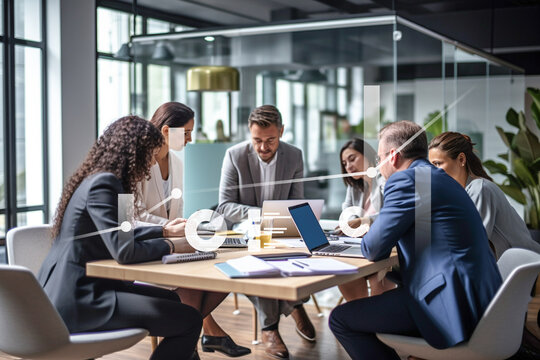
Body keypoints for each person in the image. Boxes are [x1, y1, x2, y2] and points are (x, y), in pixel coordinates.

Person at [329, 120, 502, 360]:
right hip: (476, 297)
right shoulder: (438, 177)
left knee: (341, 319)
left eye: (379, 159)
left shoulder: (404, 181)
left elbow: (372, 249)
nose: (379, 166)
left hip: (450, 306)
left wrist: (369, 229)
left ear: (393, 156)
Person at [38, 116, 203, 360]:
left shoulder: (112, 183)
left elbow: (121, 232)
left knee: (172, 298)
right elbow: (124, 252)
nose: (151, 165)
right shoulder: (105, 184)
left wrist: (165, 230)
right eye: (150, 156)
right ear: (133, 153)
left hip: (92, 286)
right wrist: (171, 245)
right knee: (190, 320)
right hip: (81, 297)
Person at [137, 102, 250, 357]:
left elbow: (176, 209)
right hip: (150, 249)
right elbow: (134, 216)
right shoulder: (139, 162)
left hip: (175, 247)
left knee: (228, 269)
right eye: (186, 132)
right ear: (166, 130)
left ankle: (189, 341)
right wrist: (169, 227)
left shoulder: (176, 162)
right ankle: (192, 342)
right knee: (196, 286)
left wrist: (190, 227)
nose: (190, 139)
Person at [216, 105, 315, 359]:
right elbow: (225, 206)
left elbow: (297, 201)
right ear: (250, 134)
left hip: (282, 228)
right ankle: (272, 325)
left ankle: (293, 301)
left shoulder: (294, 155)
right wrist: (263, 215)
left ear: (281, 132)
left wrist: (309, 230)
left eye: (270, 140)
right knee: (259, 260)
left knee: (310, 251)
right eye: (257, 140)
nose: (263, 147)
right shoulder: (234, 155)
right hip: (244, 232)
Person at [428, 131, 540, 258]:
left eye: (438, 164)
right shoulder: (462, 193)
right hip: (511, 267)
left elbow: (469, 243)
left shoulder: (480, 189)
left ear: (461, 159)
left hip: (526, 269)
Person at [336, 138, 395, 300]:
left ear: (368, 155)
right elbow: (347, 212)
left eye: (352, 159)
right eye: (344, 163)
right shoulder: (354, 186)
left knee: (378, 276)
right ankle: (360, 320)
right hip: (361, 247)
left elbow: (391, 215)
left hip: (386, 250)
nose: (348, 166)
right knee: (343, 271)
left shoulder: (385, 181)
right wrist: (353, 222)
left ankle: (376, 322)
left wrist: (361, 222)